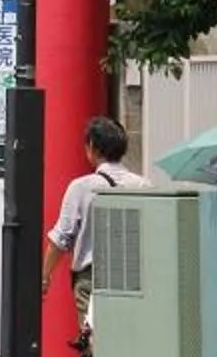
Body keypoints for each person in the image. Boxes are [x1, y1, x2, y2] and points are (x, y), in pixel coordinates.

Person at [39, 116, 143, 337]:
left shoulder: (82, 187)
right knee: (127, 338)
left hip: (92, 278)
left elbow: (61, 239)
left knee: (94, 342)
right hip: (133, 277)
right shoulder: (142, 185)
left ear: (93, 147)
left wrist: (45, 275)